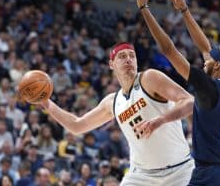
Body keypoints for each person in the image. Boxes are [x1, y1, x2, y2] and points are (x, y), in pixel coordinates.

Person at [38, 42, 195, 186]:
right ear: (111, 64)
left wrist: (160, 120)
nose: (128, 59)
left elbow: (189, 101)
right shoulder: (112, 102)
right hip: (141, 176)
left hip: (179, 171)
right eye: (122, 56)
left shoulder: (149, 78)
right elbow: (77, 126)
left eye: (131, 56)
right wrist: (47, 103)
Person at [136, 0, 220, 185]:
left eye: (210, 59)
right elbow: (205, 47)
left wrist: (144, 8)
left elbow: (169, 51)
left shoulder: (207, 87)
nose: (205, 59)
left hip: (211, 175)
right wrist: (184, 9)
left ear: (217, 65)